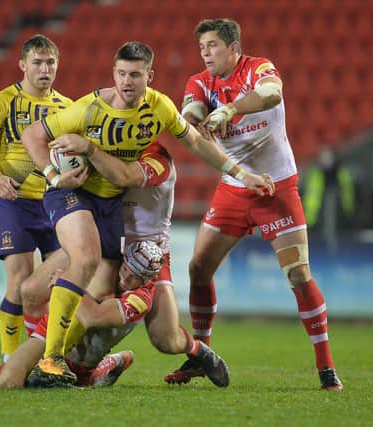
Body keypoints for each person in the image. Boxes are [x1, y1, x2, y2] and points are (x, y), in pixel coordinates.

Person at [21, 41, 273, 386]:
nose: (127, 82)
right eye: (121, 74)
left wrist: (242, 174)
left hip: (149, 253)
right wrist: (55, 174)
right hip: (102, 224)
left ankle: (191, 352)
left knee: (164, 338)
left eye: (135, 75)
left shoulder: (157, 158)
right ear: (113, 75)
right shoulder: (94, 113)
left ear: (149, 79)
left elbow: (187, 147)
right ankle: (43, 362)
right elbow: (39, 135)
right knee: (47, 288)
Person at [165, 18, 343, 391]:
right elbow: (190, 115)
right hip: (233, 188)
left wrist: (230, 110)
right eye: (202, 48)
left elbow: (272, 93)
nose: (206, 54)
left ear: (233, 48)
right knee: (198, 268)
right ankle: (202, 357)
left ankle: (326, 367)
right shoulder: (200, 82)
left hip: (276, 188)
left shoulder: (258, 68)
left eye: (212, 46)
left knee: (298, 274)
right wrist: (201, 122)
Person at [0, 34, 79, 363]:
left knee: (59, 284)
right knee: (18, 279)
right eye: (38, 62)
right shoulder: (1, 101)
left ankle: (48, 356)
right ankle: (9, 361)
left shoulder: (68, 107)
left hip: (56, 203)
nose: (45, 69)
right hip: (15, 201)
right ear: (22, 64)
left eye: (50, 63)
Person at [0, 238, 165, 388]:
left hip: (76, 362)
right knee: (9, 380)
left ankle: (94, 372)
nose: (125, 280)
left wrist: (66, 283)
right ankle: (17, 368)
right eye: (126, 270)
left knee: (13, 382)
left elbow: (91, 316)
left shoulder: (141, 300)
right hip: (54, 331)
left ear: (147, 279)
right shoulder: (107, 261)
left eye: (134, 278)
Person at [302, 145, 356, 242]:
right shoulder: (316, 173)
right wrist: (309, 218)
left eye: (328, 158)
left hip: (339, 216)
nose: (326, 161)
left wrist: (348, 211)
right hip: (315, 218)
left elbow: (347, 192)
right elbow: (311, 196)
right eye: (324, 158)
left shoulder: (341, 172)